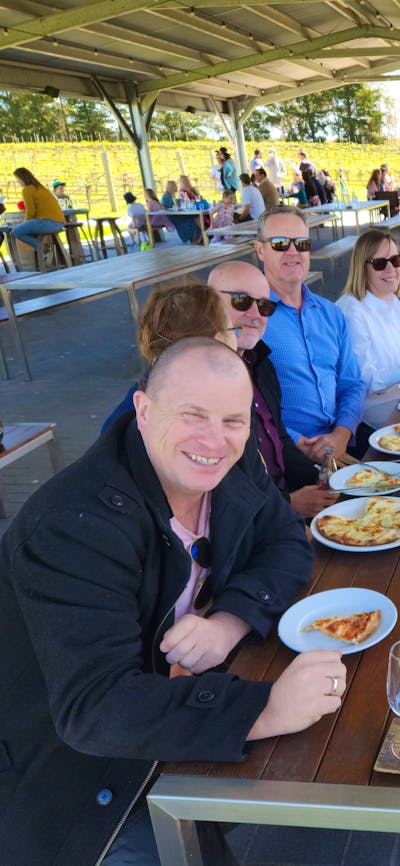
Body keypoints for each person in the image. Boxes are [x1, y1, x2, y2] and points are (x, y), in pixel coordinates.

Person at [0, 335, 347, 866]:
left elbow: (285, 543)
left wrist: (229, 621)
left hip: (176, 710)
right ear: (143, 409)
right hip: (75, 785)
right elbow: (95, 709)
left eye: (234, 420)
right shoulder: (72, 527)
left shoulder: (232, 462)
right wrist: (264, 709)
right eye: (192, 414)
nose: (214, 439)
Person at [208, 261, 340, 519]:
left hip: (280, 502)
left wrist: (321, 480)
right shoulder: (198, 377)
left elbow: (278, 440)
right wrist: (288, 504)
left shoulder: (261, 364)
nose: (256, 314)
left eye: (265, 305)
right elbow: (218, 480)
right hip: (246, 524)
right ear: (208, 303)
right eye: (241, 301)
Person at [255, 205, 366, 463]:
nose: (293, 252)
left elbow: (352, 383)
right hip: (284, 455)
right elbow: (245, 401)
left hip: (339, 446)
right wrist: (295, 441)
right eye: (281, 243)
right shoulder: (251, 317)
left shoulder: (331, 314)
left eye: (301, 243)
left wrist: (341, 433)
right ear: (260, 249)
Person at [102, 281, 240, 431]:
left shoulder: (149, 390)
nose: (237, 337)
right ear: (217, 342)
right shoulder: (209, 414)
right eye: (233, 329)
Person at [336, 229, 400, 435]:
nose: (391, 269)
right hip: (372, 409)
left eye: (396, 260)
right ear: (362, 268)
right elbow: (365, 378)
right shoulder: (352, 310)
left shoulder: (391, 300)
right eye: (380, 263)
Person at [11, 166, 65, 256]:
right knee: (26, 230)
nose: (18, 182)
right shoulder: (41, 188)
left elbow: (30, 212)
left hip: (48, 223)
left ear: (22, 178)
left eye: (18, 179)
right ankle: (41, 253)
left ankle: (42, 247)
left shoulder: (27, 189)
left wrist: (23, 223)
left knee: (16, 231)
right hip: (59, 223)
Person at [161, 179, 202, 245]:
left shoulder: (173, 195)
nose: (176, 187)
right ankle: (193, 238)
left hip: (178, 213)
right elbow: (163, 207)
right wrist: (171, 209)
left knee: (195, 216)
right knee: (190, 220)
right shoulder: (166, 196)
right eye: (175, 185)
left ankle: (198, 236)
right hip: (173, 215)